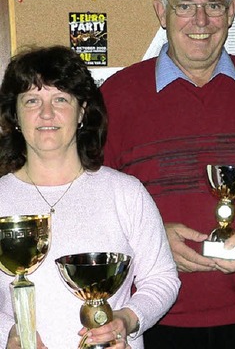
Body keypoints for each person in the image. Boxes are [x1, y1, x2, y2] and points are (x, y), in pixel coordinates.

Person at [99, 0, 235, 347]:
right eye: (184, 6)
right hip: (151, 319)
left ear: (231, 12)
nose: (200, 21)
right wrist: (150, 243)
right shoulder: (115, 97)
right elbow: (92, 207)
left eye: (212, 6)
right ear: (162, 12)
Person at [0, 45, 180, 349]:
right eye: (32, 100)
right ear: (15, 115)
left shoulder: (125, 193)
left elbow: (162, 279)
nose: (46, 113)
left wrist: (126, 319)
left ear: (82, 111)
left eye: (60, 99)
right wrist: (8, 335)